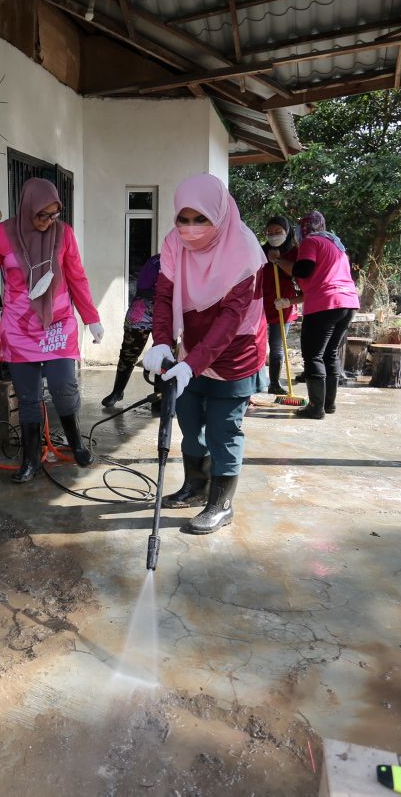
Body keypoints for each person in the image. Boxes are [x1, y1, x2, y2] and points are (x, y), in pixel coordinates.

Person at [0, 178, 105, 483]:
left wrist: (91, 317)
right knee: (28, 398)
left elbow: (77, 278)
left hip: (58, 323)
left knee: (64, 387)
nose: (48, 222)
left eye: (53, 215)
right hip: (20, 329)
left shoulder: (64, 235)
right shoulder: (2, 234)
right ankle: (31, 460)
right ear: (27, 208)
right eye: (42, 215)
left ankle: (76, 444)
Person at [142, 173, 266, 535]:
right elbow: (164, 296)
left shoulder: (244, 252)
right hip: (191, 344)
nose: (191, 229)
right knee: (189, 420)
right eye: (184, 219)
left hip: (235, 349)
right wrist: (162, 342)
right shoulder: (173, 244)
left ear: (220, 215)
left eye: (201, 219)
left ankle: (221, 503)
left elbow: (231, 319)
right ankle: (195, 485)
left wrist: (192, 365)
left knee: (223, 429)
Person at [267, 210, 359, 418]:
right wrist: (290, 301)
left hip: (325, 305)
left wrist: (279, 261)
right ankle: (328, 405)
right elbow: (320, 281)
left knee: (313, 355)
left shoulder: (311, 241)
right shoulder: (336, 245)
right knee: (330, 354)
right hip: (348, 302)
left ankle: (315, 408)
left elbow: (304, 270)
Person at [101, 254, 160, 408]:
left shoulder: (186, 262)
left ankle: (160, 397)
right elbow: (143, 287)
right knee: (128, 353)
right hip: (142, 311)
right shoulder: (155, 261)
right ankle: (117, 391)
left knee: (164, 355)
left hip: (169, 313)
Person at [261, 216, 300, 395]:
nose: (273, 236)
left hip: (282, 305)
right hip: (260, 305)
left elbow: (297, 273)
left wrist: (277, 260)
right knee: (255, 345)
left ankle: (274, 383)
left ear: (287, 232)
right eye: (270, 233)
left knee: (277, 346)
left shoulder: (295, 253)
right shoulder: (260, 252)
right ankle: (253, 381)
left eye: (278, 232)